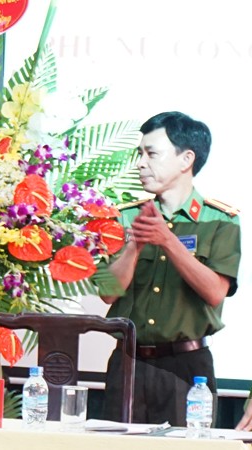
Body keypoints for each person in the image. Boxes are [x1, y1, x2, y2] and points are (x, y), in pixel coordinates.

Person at [101, 111, 241, 426]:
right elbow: (108, 293)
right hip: (128, 363)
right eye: (139, 154)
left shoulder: (220, 220)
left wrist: (167, 240)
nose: (141, 163)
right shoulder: (123, 218)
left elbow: (215, 292)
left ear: (186, 159)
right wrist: (134, 246)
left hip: (188, 367)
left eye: (151, 154)